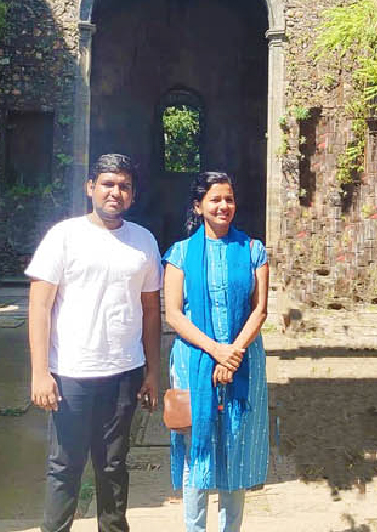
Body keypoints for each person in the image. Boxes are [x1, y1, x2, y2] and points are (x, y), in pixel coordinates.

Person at [26, 153, 162, 532]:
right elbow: (39, 307)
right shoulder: (64, 236)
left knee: (114, 466)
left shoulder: (143, 242)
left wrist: (153, 372)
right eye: (107, 184)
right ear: (90, 188)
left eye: (124, 186)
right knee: (64, 466)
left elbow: (151, 312)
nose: (115, 192)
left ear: (132, 195)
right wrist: (40, 372)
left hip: (124, 372)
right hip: (71, 373)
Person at [163, 171, 269, 532]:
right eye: (215, 199)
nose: (224, 206)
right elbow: (174, 314)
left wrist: (233, 354)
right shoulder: (180, 254)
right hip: (194, 361)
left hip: (243, 361)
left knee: (234, 448)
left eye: (229, 199)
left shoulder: (253, 250)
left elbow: (260, 310)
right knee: (197, 447)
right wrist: (215, 351)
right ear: (198, 206)